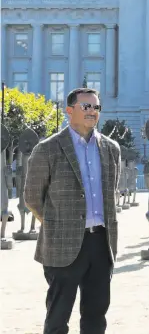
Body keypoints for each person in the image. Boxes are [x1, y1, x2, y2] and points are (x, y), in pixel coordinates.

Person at [24, 88, 121, 334]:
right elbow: (32, 197)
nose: (92, 112)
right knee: (57, 317)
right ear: (69, 111)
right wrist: (59, 223)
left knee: (96, 316)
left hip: (101, 243)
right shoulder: (48, 149)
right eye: (86, 106)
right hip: (62, 245)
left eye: (96, 107)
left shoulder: (111, 149)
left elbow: (112, 194)